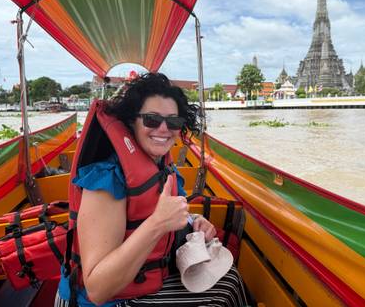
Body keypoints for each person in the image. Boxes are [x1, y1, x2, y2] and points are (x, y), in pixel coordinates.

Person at [55, 73, 248, 306]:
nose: (164, 129)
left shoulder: (163, 166)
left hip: (143, 281)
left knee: (230, 281)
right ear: (131, 121)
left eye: (174, 121)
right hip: (104, 301)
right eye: (152, 119)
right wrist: (158, 223)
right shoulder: (107, 181)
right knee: (221, 297)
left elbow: (164, 214)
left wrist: (195, 221)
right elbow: (97, 289)